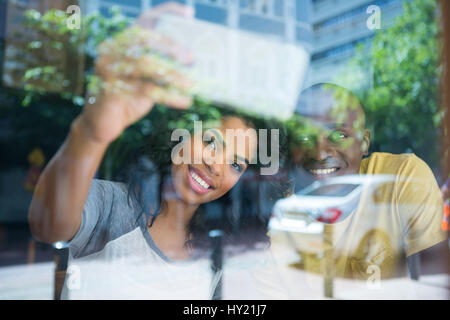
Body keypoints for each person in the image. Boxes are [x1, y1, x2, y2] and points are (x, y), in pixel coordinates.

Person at [27, 3, 278, 299]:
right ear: (181, 136)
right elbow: (48, 225)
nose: (216, 166)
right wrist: (90, 134)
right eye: (211, 141)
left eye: (236, 164)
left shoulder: (214, 248)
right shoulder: (115, 205)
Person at [282, 82, 448, 282]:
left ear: (364, 142)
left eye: (339, 135)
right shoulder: (292, 207)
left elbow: (430, 281)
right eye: (306, 138)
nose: (319, 153)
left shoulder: (402, 177)